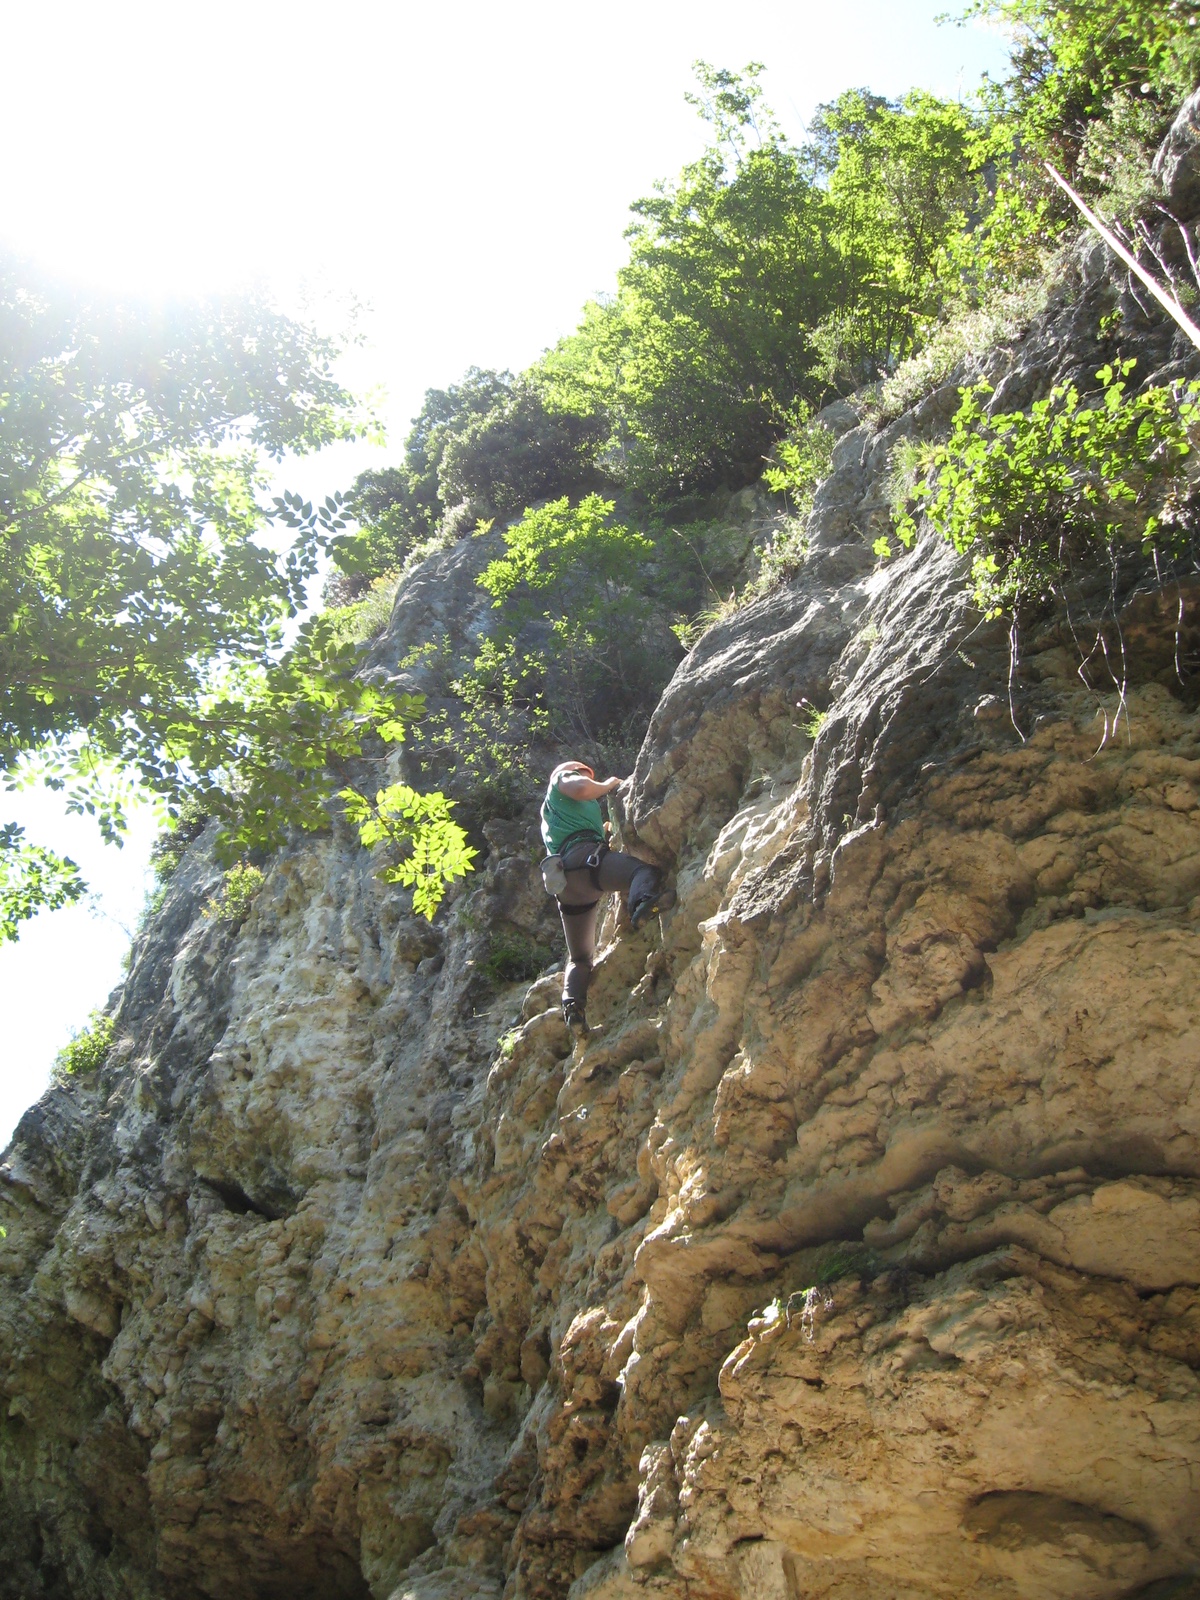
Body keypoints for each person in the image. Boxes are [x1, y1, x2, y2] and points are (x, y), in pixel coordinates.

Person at [540, 760, 673, 1040]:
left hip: (567, 884)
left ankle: (573, 1006)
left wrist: (605, 831)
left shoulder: (552, 815)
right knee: (642, 871)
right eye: (584, 773)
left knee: (580, 958)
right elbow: (578, 788)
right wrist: (607, 785)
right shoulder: (562, 781)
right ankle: (642, 904)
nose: (587, 777)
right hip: (587, 862)